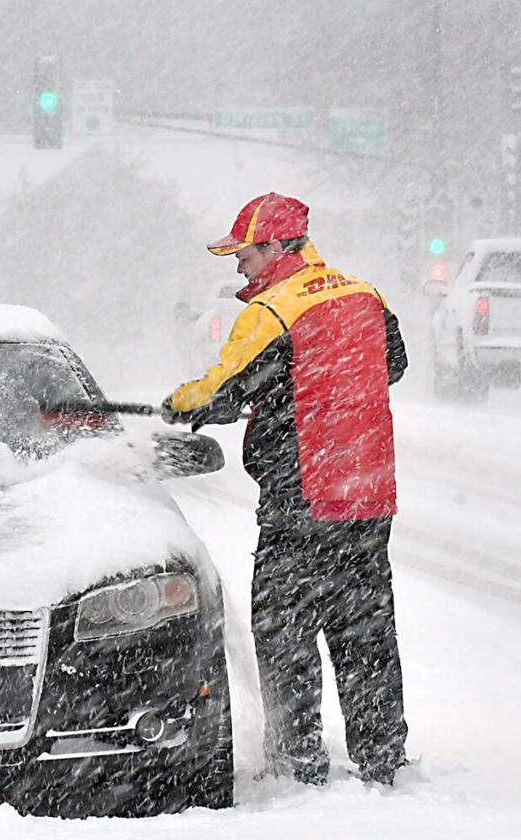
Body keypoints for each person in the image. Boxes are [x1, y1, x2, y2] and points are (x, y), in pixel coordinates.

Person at [160, 192, 409, 786]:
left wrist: (179, 404)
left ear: (275, 246)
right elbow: (393, 364)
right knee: (365, 629)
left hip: (303, 495)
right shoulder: (364, 293)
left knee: (285, 632)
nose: (238, 266)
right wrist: (307, 386)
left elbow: (222, 389)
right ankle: (383, 756)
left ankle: (297, 762)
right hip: (368, 494)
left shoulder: (272, 311)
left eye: (244, 254)